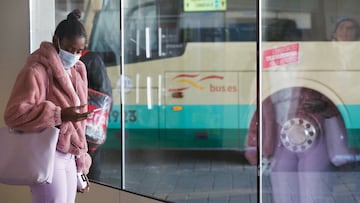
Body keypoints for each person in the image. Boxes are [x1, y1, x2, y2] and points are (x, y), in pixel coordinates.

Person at [3, 9, 92, 203]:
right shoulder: (36, 70)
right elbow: (14, 114)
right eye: (69, 49)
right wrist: (59, 114)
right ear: (56, 41)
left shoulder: (77, 71)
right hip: (48, 153)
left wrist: (81, 163)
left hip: (69, 155)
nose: (74, 55)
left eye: (79, 51)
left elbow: (78, 126)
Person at [80, 50, 113, 181]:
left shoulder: (91, 59)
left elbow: (105, 98)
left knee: (90, 174)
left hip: (89, 129)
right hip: (77, 129)